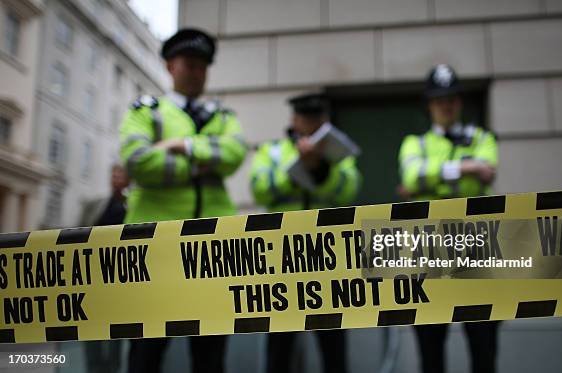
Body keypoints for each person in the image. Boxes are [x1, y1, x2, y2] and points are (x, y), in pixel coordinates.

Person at [119, 28, 248, 373]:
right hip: (154, 249)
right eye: (189, 64)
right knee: (146, 353)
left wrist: (183, 146)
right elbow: (137, 162)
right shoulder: (147, 111)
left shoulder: (223, 116)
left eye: (203, 67)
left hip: (213, 249)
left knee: (210, 357)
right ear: (169, 66)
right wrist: (201, 164)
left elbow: (235, 154)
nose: (196, 72)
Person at [397, 64, 499, 373]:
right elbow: (412, 177)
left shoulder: (483, 137)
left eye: (452, 98)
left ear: (460, 101)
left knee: (484, 349)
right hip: (429, 253)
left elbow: (488, 172)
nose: (446, 105)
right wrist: (466, 169)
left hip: (476, 250)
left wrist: (433, 177)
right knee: (430, 353)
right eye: (439, 98)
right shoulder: (415, 143)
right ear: (429, 104)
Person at [249, 92, 361, 373]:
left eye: (317, 118)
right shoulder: (272, 151)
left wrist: (320, 169)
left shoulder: (335, 153)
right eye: (306, 117)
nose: (311, 123)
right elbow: (259, 188)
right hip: (282, 261)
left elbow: (349, 188)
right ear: (294, 120)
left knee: (333, 347)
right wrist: (294, 174)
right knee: (280, 348)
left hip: (327, 258)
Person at [78, 164, 129, 373]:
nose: (116, 178)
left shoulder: (132, 207)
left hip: (121, 278)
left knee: (116, 332)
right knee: (92, 329)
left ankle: (113, 368)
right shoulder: (97, 205)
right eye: (114, 174)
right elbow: (79, 233)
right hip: (95, 277)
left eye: (121, 175)